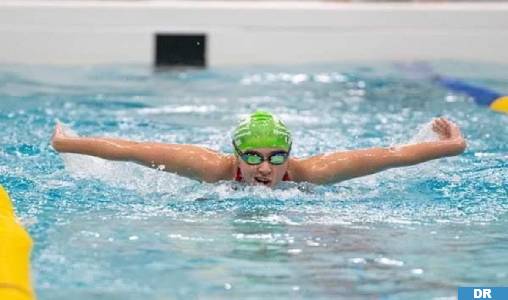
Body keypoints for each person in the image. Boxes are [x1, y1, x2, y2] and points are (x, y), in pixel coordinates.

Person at [51, 111, 466, 187]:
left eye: (275, 157)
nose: (264, 168)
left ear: (289, 154)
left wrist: (452, 146)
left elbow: (392, 157)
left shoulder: (314, 172)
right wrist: (66, 143)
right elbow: (129, 149)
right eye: (252, 156)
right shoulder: (209, 168)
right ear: (235, 154)